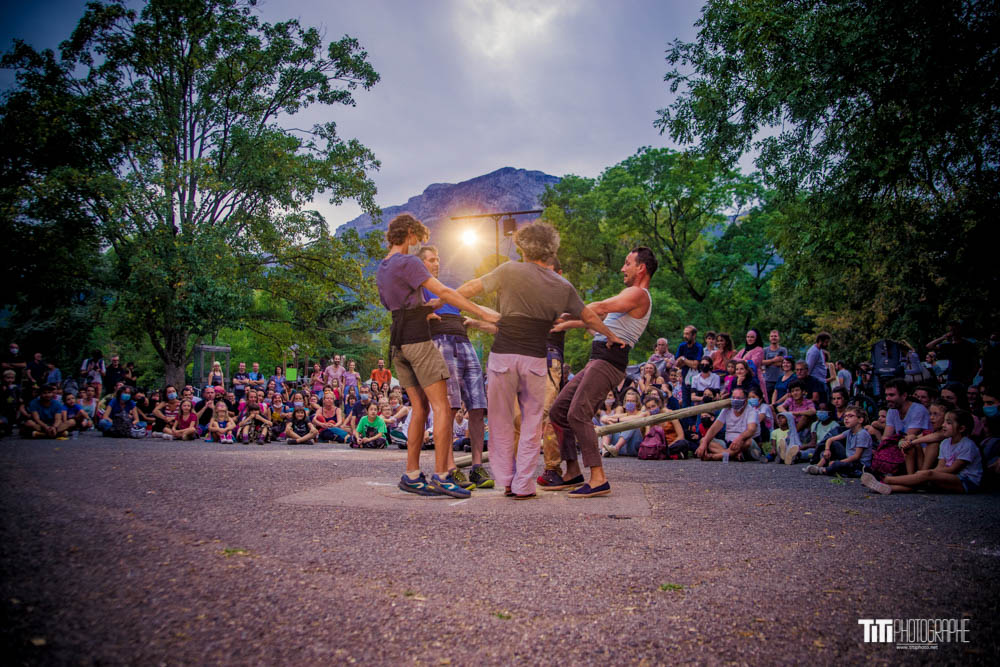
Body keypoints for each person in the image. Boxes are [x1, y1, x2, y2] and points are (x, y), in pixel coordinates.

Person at [458, 222, 618, 498]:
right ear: (550, 249)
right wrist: (610, 334)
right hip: (535, 358)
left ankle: (508, 480)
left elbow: (472, 287)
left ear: (522, 246)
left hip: (503, 355)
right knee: (532, 424)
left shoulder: (509, 270)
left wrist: (444, 300)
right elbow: (589, 316)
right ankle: (523, 485)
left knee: (503, 421)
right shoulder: (562, 285)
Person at [377, 213, 499, 498]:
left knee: (419, 407)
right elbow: (440, 288)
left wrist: (429, 308)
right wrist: (481, 311)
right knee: (443, 406)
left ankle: (411, 474)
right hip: (419, 342)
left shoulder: (383, 267)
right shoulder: (409, 261)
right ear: (409, 233)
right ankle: (443, 475)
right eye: (417, 238)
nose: (417, 244)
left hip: (398, 344)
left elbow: (402, 305)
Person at [548, 246, 654, 497]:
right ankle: (573, 471)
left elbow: (602, 307)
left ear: (641, 268)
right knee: (559, 410)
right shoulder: (631, 295)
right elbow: (594, 321)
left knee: (578, 413)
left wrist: (568, 310)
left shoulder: (639, 294)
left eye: (627, 263)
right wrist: (564, 323)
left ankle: (598, 478)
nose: (622, 268)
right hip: (598, 359)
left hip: (609, 361)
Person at [418, 245, 493, 489]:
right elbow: (408, 313)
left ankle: (477, 468)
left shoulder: (447, 289)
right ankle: (450, 468)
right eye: (431, 260)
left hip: (464, 340)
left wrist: (486, 319)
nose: (436, 263)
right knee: (449, 408)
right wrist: (424, 315)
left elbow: (472, 303)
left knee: (478, 405)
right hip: (440, 341)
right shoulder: (418, 290)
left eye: (438, 259)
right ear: (421, 264)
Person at [863, 410, 982, 494]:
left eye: (949, 423)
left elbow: (953, 469)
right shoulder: (946, 443)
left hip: (966, 481)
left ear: (961, 428)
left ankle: (885, 480)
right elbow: (941, 465)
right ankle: (889, 487)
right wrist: (922, 476)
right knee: (922, 482)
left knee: (927, 476)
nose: (944, 425)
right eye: (945, 422)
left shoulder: (968, 445)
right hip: (949, 477)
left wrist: (925, 474)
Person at [695, 388, 761, 461]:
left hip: (743, 443)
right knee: (704, 440)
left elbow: (751, 430)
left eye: (738, 398)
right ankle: (732, 455)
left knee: (747, 442)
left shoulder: (751, 411)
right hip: (728, 444)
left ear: (745, 400)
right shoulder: (727, 409)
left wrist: (739, 438)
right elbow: (715, 427)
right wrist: (704, 442)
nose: (735, 400)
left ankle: (715, 456)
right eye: (733, 398)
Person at [805, 404, 872, 477]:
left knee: (837, 464)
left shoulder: (862, 434)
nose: (846, 418)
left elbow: (856, 457)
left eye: (850, 416)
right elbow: (830, 439)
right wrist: (827, 450)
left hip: (859, 466)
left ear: (860, 420)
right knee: (834, 444)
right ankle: (818, 465)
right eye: (845, 416)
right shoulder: (849, 431)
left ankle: (823, 470)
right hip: (849, 460)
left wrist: (839, 462)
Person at [899, 399, 949, 473]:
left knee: (933, 444)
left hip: (934, 468)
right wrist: (907, 441)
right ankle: (910, 475)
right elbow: (906, 439)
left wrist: (912, 441)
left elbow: (936, 437)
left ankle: (922, 474)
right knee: (911, 443)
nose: (931, 417)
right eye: (930, 414)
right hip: (921, 462)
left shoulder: (946, 432)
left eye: (936, 414)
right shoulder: (929, 431)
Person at [926, 320, 979, 386]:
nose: (952, 332)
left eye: (954, 330)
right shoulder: (948, 345)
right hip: (951, 378)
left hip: (964, 379)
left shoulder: (969, 345)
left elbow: (976, 364)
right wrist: (943, 337)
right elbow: (929, 346)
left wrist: (970, 378)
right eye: (951, 330)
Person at [734, 329, 768, 401]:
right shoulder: (744, 350)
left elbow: (753, 363)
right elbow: (734, 359)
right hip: (741, 376)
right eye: (748, 337)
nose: (749, 339)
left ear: (756, 338)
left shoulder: (759, 350)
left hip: (755, 376)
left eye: (752, 337)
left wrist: (741, 361)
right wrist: (745, 361)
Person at [761, 330, 789, 399]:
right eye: (772, 336)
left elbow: (785, 363)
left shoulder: (783, 350)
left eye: (775, 336)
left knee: (780, 399)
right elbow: (761, 362)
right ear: (769, 338)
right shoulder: (765, 350)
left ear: (779, 338)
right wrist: (773, 360)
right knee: (768, 400)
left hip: (781, 379)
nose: (773, 338)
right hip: (768, 380)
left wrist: (769, 362)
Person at [805, 332, 831, 403]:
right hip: (817, 381)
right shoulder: (814, 352)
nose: (827, 344)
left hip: (822, 380)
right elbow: (809, 367)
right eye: (826, 342)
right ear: (820, 341)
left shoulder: (820, 351)